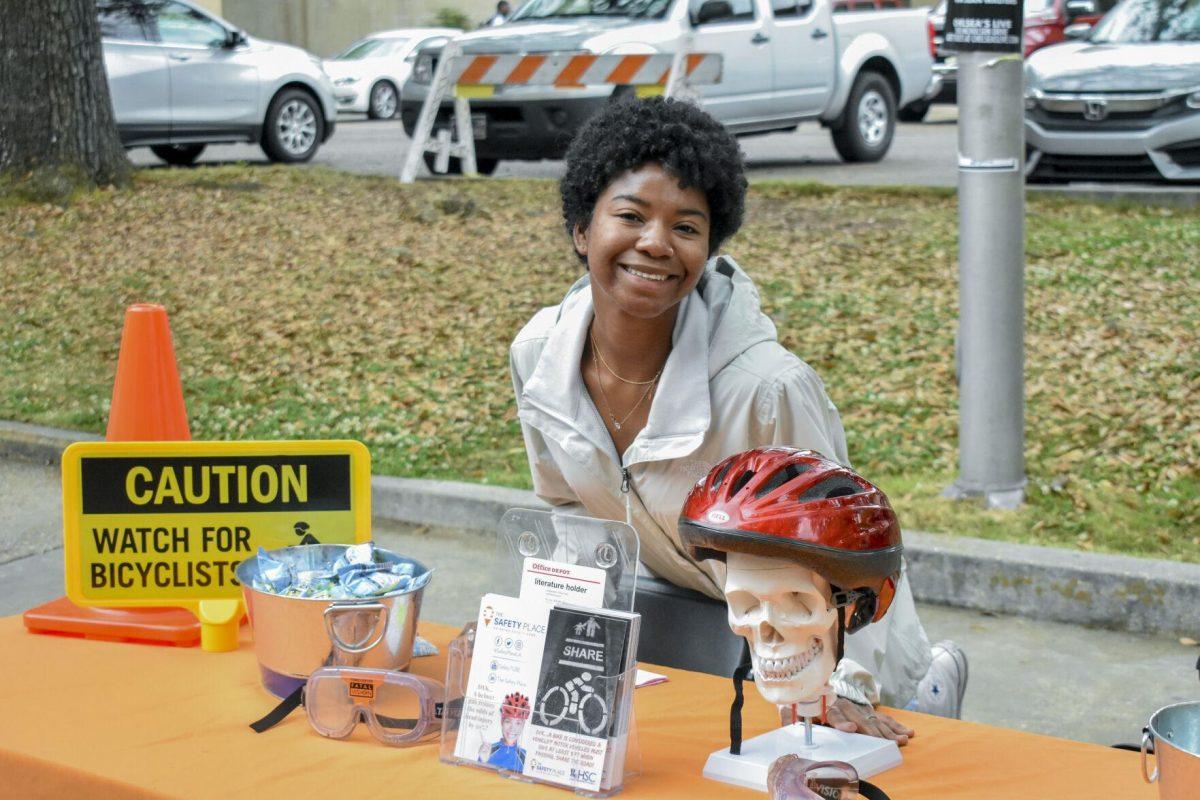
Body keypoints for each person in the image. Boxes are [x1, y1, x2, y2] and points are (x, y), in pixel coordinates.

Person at [508, 97, 967, 745]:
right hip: (687, 604)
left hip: (805, 622)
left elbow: (849, 551)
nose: (655, 243)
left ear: (708, 248)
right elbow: (566, 509)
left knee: (861, 749)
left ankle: (928, 687)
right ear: (582, 229)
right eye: (631, 215)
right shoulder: (537, 355)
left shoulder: (767, 387)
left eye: (686, 227)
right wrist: (556, 645)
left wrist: (848, 684)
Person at [480, 692, 530, 770]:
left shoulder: (526, 758)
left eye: (518, 723)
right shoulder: (488, 750)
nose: (512, 728)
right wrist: (482, 760)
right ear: (502, 722)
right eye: (508, 721)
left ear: (523, 726)